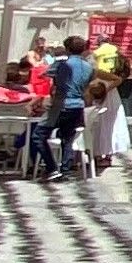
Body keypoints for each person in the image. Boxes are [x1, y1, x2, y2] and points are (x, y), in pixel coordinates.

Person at [46, 33, 91, 182]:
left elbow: (50, 77)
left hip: (62, 105)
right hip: (78, 106)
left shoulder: (63, 65)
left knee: (38, 134)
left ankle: (48, 166)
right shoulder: (88, 67)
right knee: (68, 139)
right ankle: (65, 169)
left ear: (67, 49)